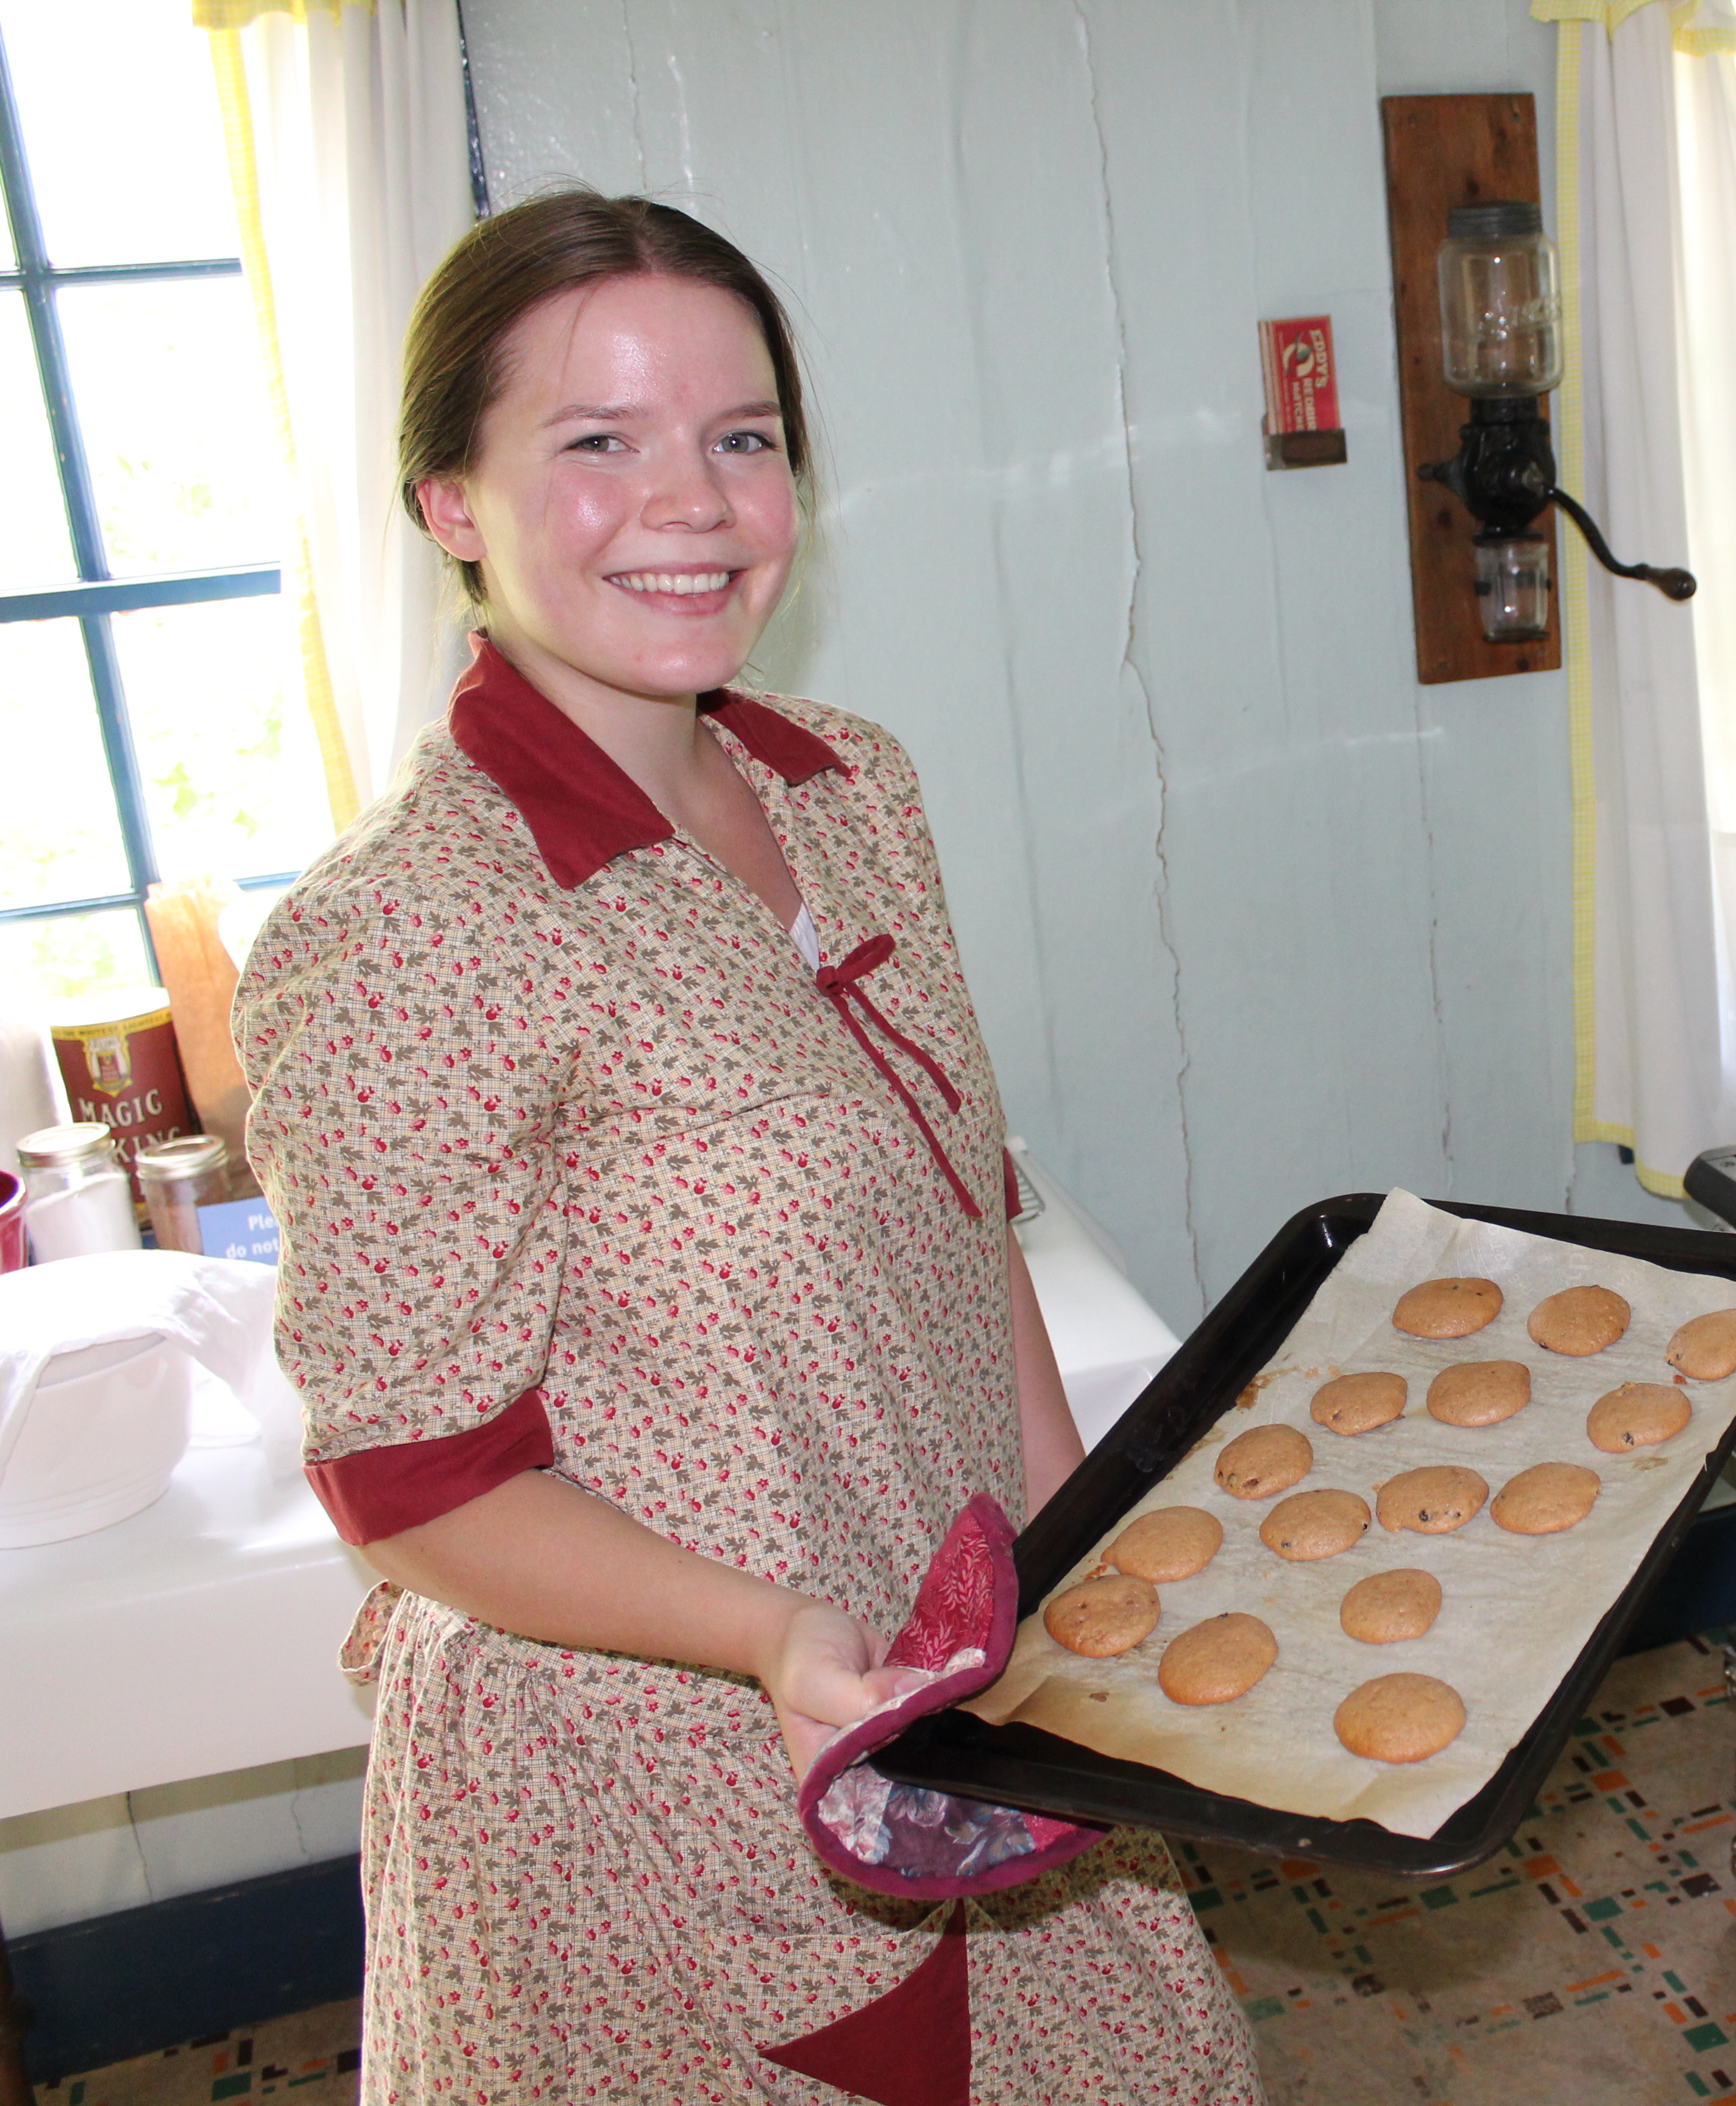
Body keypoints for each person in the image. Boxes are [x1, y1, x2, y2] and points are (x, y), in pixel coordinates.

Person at [235, 188, 1259, 2103]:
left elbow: (968, 1229)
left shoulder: (851, 783)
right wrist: (778, 1635)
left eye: (744, 438)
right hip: (662, 1784)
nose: (693, 503)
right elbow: (415, 1485)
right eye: (598, 442)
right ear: (452, 502)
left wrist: (1087, 1569)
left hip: (941, 1669)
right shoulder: (408, 932)